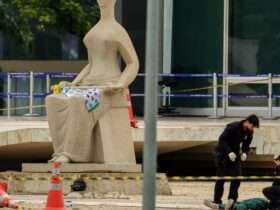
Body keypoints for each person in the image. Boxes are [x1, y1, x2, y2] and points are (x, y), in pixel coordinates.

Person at [205, 114, 260, 210]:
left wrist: (244, 153)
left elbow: (246, 144)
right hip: (222, 153)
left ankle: (232, 200)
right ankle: (217, 200)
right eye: (252, 126)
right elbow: (222, 140)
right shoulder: (233, 127)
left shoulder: (250, 132)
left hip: (235, 154)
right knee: (221, 179)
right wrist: (229, 152)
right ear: (247, 122)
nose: (252, 128)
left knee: (237, 177)